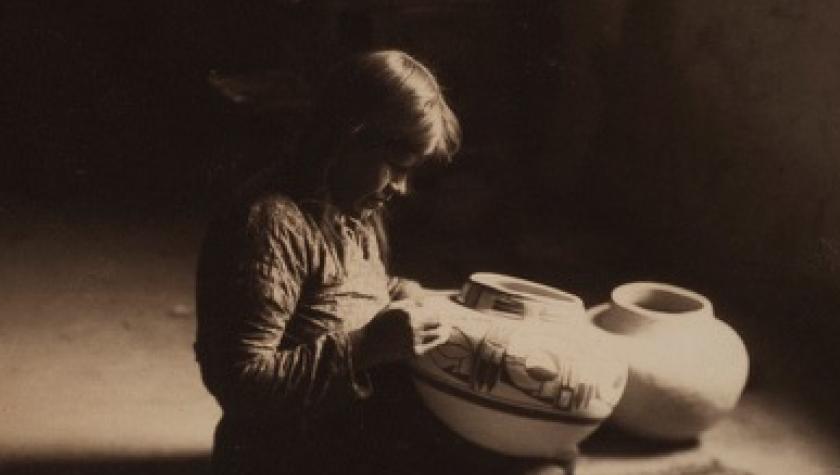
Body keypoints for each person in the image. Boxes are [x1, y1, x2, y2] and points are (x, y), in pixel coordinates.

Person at [195, 50, 575, 475]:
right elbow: (240, 384)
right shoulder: (269, 224)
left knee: (546, 453)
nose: (402, 187)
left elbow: (337, 292)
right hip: (287, 449)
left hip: (351, 420)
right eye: (396, 166)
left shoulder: (353, 210)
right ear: (347, 138)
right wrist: (366, 347)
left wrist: (404, 293)